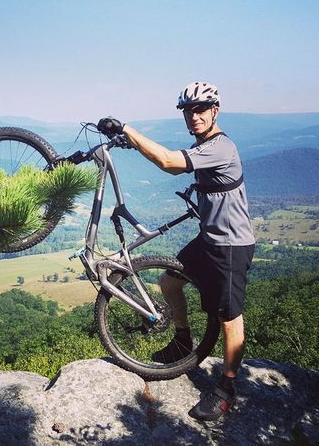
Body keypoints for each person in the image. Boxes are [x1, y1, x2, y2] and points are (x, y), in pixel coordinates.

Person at [97, 81, 255, 421]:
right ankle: (183, 342)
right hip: (209, 239)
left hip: (231, 245)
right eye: (188, 111)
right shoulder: (205, 145)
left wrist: (128, 128)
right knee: (169, 284)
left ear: (215, 110)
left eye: (200, 109)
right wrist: (131, 143)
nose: (194, 116)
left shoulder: (221, 147)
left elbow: (169, 162)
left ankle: (227, 388)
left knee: (229, 316)